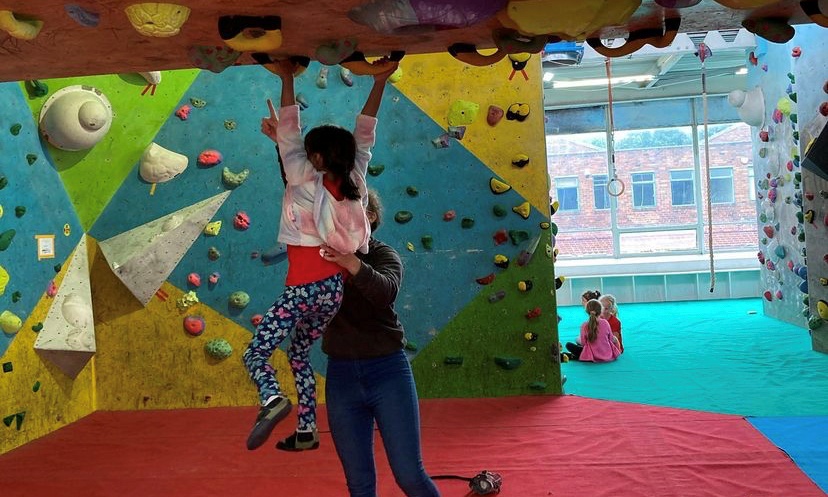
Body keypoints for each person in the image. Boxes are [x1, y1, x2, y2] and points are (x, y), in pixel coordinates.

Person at [242, 57, 399, 452]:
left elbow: (291, 132)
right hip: (331, 293)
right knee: (298, 352)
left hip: (302, 289)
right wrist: (379, 81)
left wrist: (287, 79)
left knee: (257, 353)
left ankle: (272, 399)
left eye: (306, 151)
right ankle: (308, 431)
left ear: (315, 158)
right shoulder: (356, 180)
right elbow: (366, 133)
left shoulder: (300, 177)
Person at [319, 190, 441, 497]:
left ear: (369, 216)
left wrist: (352, 263)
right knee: (359, 484)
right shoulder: (324, 257)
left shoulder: (384, 255)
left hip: (387, 371)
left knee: (409, 475)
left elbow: (385, 292)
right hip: (342, 376)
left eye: (352, 207)